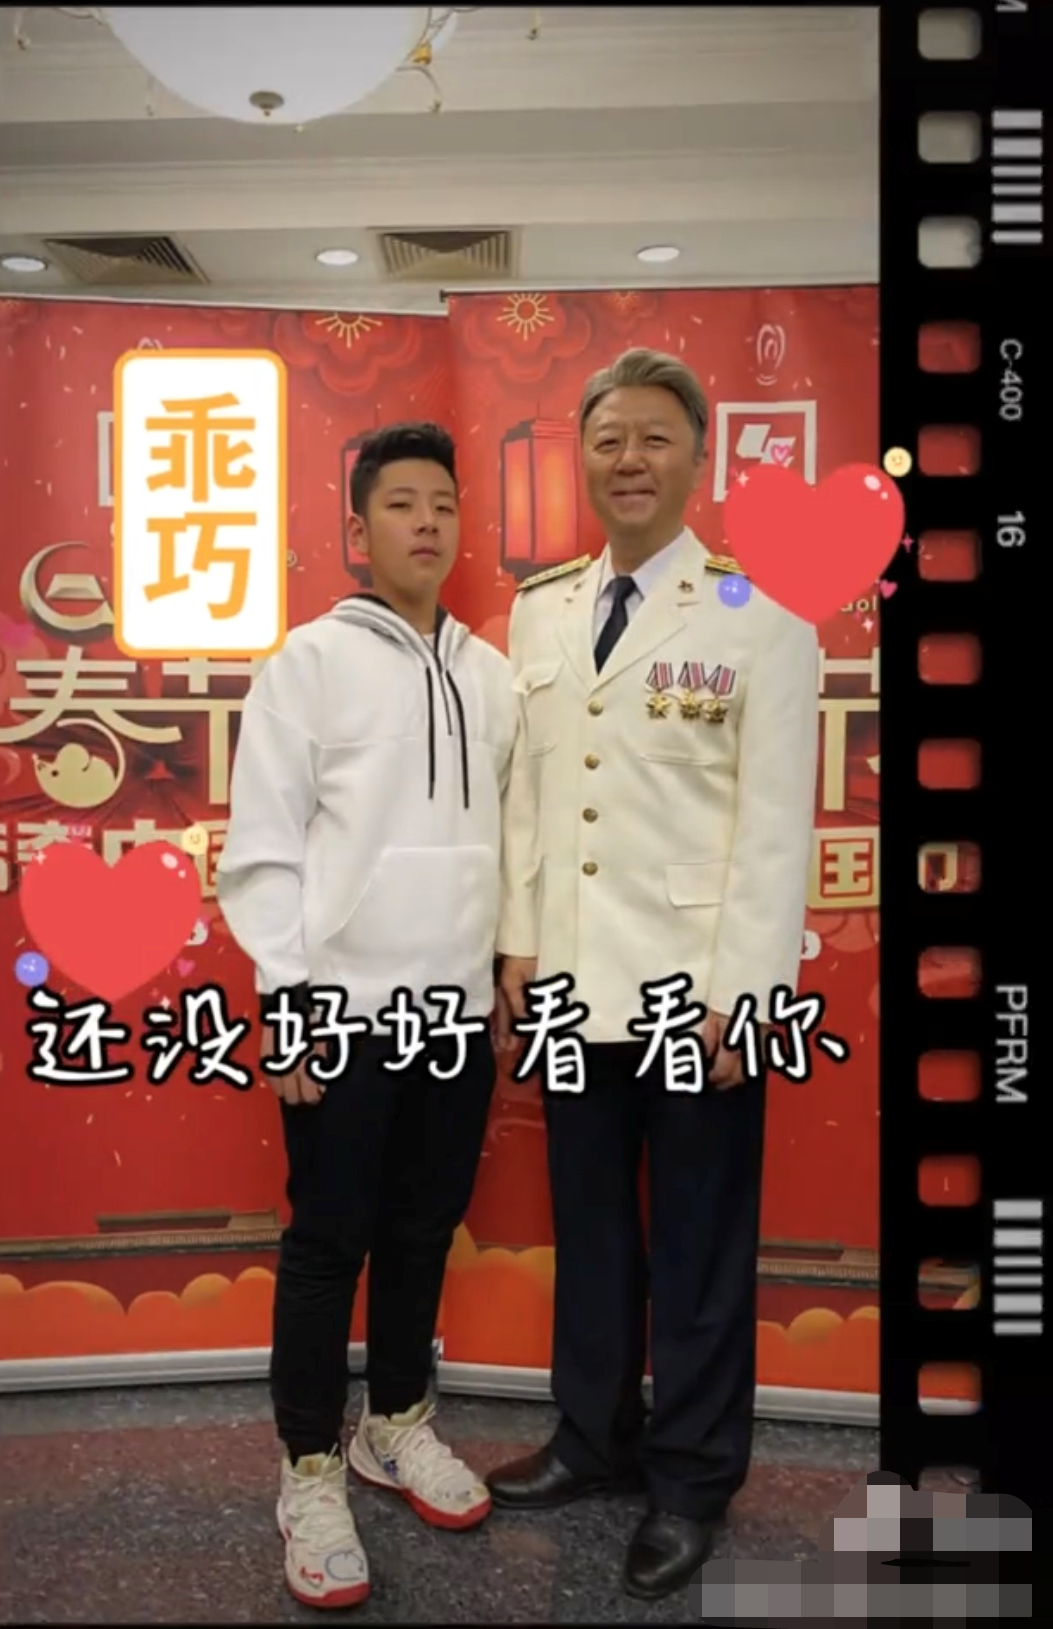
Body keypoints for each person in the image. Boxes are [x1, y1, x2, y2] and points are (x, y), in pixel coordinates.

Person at [486, 349, 820, 1600]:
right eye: (609, 439)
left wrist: (749, 998)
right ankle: (592, 1439)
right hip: (573, 982)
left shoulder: (760, 613)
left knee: (697, 1246)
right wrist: (519, 945)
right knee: (591, 1232)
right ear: (583, 457)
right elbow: (531, 801)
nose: (629, 460)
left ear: (698, 459)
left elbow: (775, 826)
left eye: (655, 439)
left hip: (699, 991)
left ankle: (689, 1481)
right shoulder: (543, 610)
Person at [217, 422, 517, 1610]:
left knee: (422, 1231)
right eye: (400, 504)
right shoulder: (307, 665)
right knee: (327, 1240)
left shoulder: (490, 677)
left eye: (442, 502)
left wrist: (502, 972)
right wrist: (287, 1001)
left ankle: (395, 1424)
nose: (426, 522)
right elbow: (263, 848)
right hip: (340, 1012)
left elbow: (512, 842)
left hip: (454, 1013)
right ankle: (308, 1467)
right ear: (357, 529)